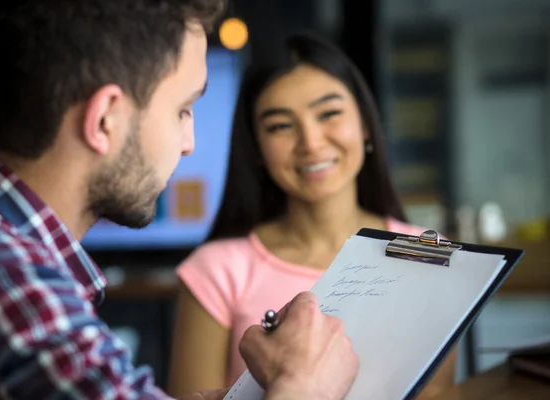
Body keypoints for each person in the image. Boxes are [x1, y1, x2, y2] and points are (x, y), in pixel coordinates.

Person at [0, 1, 359, 399]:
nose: (189, 144)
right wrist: (306, 386)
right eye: (182, 110)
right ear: (105, 119)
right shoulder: (10, 288)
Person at [169, 33, 458, 399]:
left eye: (329, 114)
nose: (311, 142)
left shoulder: (430, 253)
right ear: (256, 148)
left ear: (366, 124)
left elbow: (439, 394)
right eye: (280, 126)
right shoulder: (214, 271)